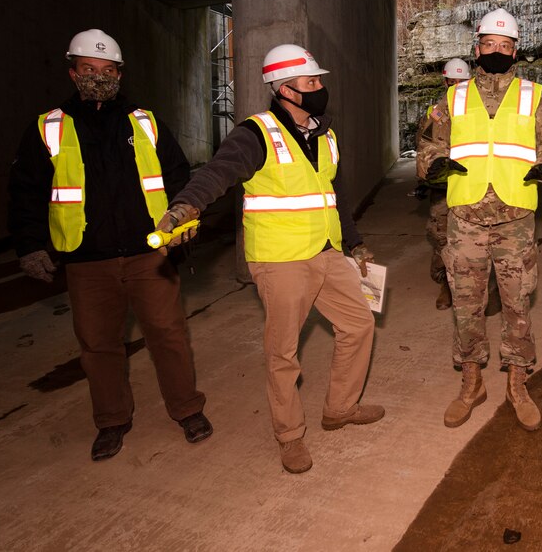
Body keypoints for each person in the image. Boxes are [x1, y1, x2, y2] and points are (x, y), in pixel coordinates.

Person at [160, 43, 384, 473]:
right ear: (285, 90)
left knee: (359, 323)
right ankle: (289, 435)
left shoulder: (324, 133)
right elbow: (216, 174)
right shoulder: (255, 134)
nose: (321, 88)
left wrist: (353, 243)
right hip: (282, 261)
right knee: (283, 353)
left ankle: (340, 408)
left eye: (319, 80)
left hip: (328, 252)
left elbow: (333, 194)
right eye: (311, 82)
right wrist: (186, 206)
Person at [8, 29, 211, 461]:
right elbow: (25, 191)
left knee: (168, 335)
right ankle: (112, 421)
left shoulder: (146, 121)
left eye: (107, 70)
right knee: (99, 346)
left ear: (120, 73)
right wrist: (30, 245)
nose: (98, 77)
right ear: (72, 72)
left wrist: (184, 222)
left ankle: (186, 408)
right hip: (87, 261)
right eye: (88, 69)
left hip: (149, 256)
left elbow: (178, 179)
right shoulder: (49, 128)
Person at [417, 7, 542, 431]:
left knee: (518, 305)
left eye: (505, 46)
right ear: (477, 48)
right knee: (467, 305)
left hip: (514, 218)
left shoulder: (533, 97)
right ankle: (471, 383)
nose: (497, 52)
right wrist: (433, 165)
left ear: (516, 50)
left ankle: (518, 383)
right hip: (465, 215)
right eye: (489, 45)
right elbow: (429, 143)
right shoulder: (453, 96)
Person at [416, 58, 472, 310]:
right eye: (452, 81)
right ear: (445, 81)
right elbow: (423, 146)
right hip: (443, 188)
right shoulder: (435, 113)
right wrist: (423, 178)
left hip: (472, 185)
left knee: (476, 240)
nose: (457, 86)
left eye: (462, 82)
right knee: (441, 237)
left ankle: (482, 287)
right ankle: (446, 285)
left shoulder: (478, 113)